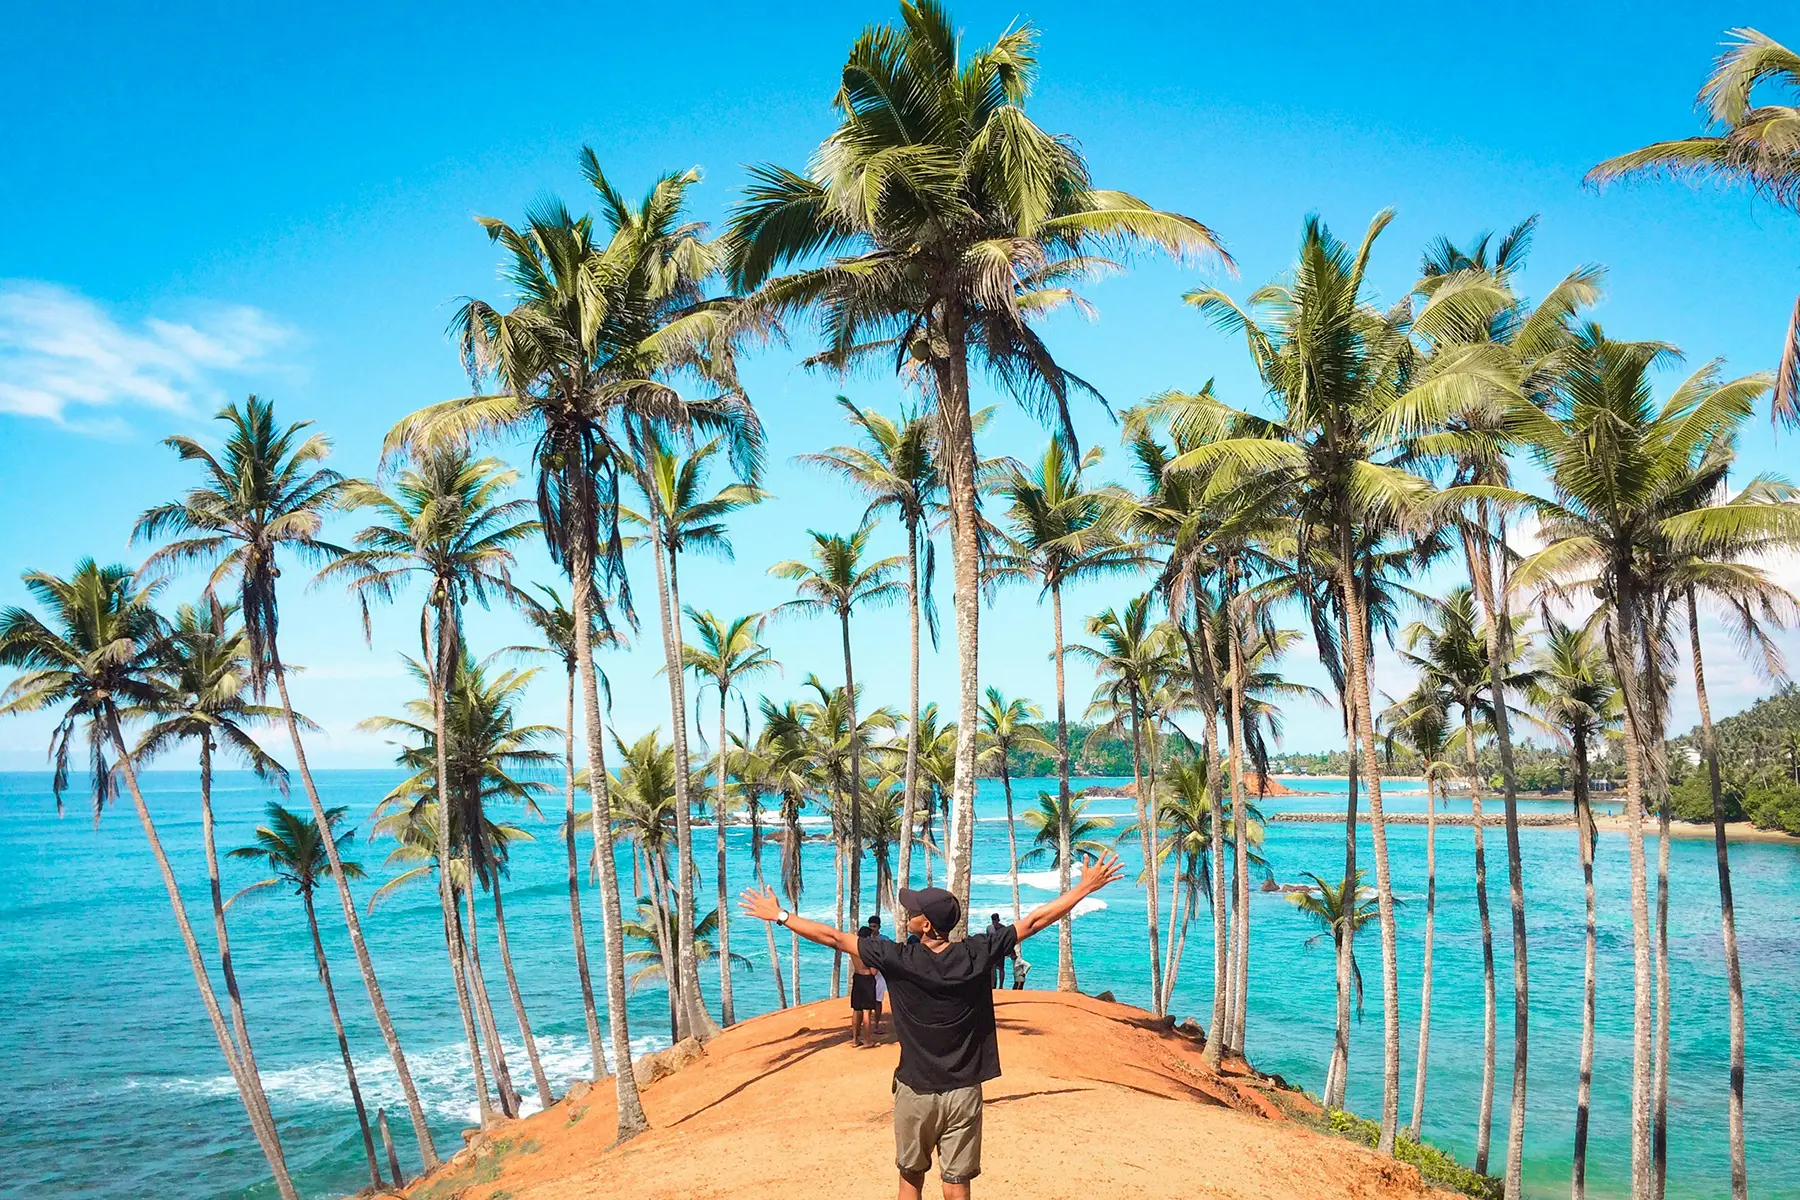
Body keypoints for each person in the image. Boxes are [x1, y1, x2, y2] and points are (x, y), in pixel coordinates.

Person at [740, 850, 1124, 1200]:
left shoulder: (897, 958)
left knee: (910, 1181)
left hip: (915, 1091)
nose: (906, 913)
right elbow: (1036, 921)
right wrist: (1084, 888)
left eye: (913, 911)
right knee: (957, 1186)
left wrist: (781, 916)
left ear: (925, 926)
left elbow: (834, 938)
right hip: (964, 1091)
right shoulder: (976, 954)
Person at [850, 921, 880, 1046]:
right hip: (867, 979)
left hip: (857, 977)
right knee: (867, 1011)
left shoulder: (853, 949)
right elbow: (874, 971)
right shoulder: (868, 951)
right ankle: (868, 1040)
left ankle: (855, 1039)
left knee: (856, 1010)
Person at [867, 914, 889, 1035]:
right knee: (867, 1001)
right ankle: (867, 1026)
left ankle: (876, 1025)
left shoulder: (885, 939)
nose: (872, 929)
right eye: (870, 926)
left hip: (880, 974)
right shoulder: (866, 939)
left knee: (878, 1000)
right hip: (868, 973)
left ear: (879, 927)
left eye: (874, 926)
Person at [986, 914, 1019, 988]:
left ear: (998, 920)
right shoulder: (990, 928)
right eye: (994, 921)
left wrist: (1010, 951)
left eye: (996, 921)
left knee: (1001, 968)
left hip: (999, 951)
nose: (995, 923)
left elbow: (1007, 940)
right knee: (994, 968)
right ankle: (993, 985)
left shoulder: (1001, 928)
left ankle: (1000, 985)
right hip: (994, 951)